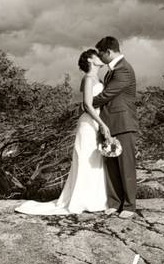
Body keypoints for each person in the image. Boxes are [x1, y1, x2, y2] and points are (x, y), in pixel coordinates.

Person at [15, 49, 110, 215]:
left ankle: (95, 199)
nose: (100, 58)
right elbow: (87, 105)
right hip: (89, 124)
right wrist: (101, 123)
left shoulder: (98, 78)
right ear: (90, 59)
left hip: (97, 122)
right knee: (86, 159)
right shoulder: (88, 79)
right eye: (97, 55)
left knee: (96, 160)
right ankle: (81, 200)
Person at [92, 36, 139, 219]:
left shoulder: (124, 70)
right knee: (111, 164)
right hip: (109, 124)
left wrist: (87, 103)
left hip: (123, 123)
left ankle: (129, 205)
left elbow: (107, 95)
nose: (101, 59)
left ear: (108, 52)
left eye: (101, 54)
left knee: (126, 165)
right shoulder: (112, 71)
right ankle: (114, 202)